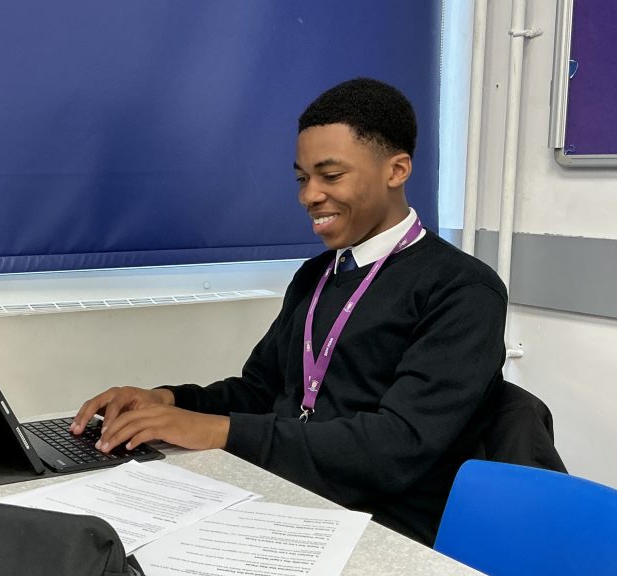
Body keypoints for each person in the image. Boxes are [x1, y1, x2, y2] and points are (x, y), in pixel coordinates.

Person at [71, 77, 507, 545]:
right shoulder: (316, 274)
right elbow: (261, 391)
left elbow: (396, 446)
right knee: (104, 537)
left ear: (396, 170)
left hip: (383, 528)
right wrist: (170, 402)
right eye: (302, 178)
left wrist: (220, 431)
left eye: (330, 176)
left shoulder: (463, 289)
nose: (308, 196)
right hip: (282, 493)